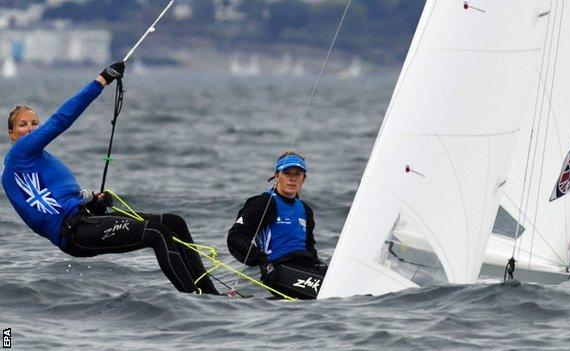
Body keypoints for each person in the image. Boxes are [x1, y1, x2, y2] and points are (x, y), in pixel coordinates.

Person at [2, 62, 218, 295]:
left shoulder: (38, 158)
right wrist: (101, 81)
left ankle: (214, 298)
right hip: (74, 233)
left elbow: (58, 200)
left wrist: (92, 201)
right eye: (23, 125)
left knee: (174, 223)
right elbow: (60, 120)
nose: (31, 128)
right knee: (156, 233)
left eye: (35, 123)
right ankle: (196, 300)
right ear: (11, 134)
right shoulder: (19, 155)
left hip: (85, 218)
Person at [227, 151, 327, 299]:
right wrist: (262, 262)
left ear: (304, 179)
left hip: (305, 266)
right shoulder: (265, 202)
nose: (292, 179)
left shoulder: (305, 209)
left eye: (297, 174)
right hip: (278, 269)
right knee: (329, 295)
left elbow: (309, 247)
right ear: (277, 176)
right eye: (287, 173)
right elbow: (235, 236)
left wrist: (320, 265)